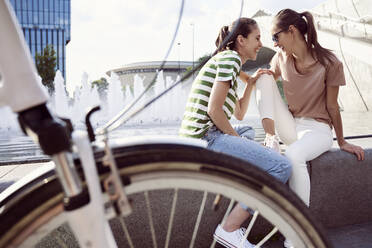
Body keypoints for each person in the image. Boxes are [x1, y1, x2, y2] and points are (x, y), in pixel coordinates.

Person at [254, 9, 365, 247]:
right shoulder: (280, 58)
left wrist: (342, 141)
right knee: (263, 76)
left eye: (276, 36)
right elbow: (264, 88)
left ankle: (299, 232)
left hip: (318, 130)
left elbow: (333, 107)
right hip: (291, 126)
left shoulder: (330, 62)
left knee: (294, 155)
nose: (274, 43)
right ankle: (270, 138)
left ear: (291, 31)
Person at [179, 18, 292, 248]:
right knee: (281, 166)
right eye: (257, 38)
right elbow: (214, 110)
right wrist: (236, 140)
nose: (261, 43)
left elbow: (239, 114)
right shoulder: (230, 59)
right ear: (240, 40)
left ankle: (247, 176)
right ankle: (229, 228)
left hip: (198, 138)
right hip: (205, 139)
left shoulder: (228, 61)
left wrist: (250, 84)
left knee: (248, 130)